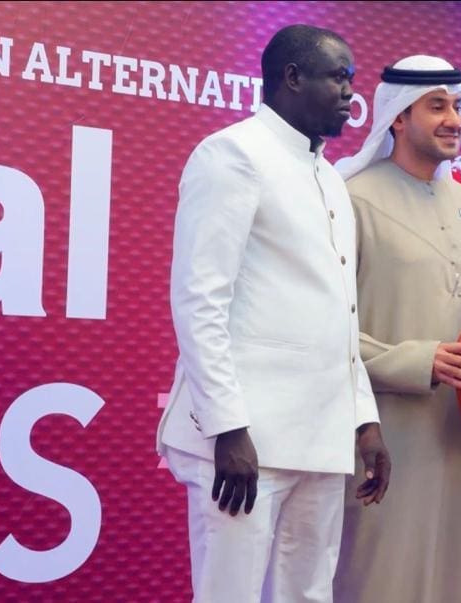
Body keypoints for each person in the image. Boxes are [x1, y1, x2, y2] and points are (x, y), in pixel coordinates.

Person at [156, 24, 389, 603]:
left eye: (352, 80)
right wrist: (227, 428)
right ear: (292, 77)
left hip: (322, 436)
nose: (350, 93)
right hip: (247, 441)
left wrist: (364, 420)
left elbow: (340, 313)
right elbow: (200, 299)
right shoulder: (233, 153)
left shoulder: (330, 178)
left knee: (309, 594)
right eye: (338, 77)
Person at [331, 55, 461, 603]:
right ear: (398, 116)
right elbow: (326, 328)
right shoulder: (350, 200)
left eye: (457, 105)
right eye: (437, 106)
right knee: (383, 576)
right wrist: (417, 361)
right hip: (384, 432)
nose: (454, 119)